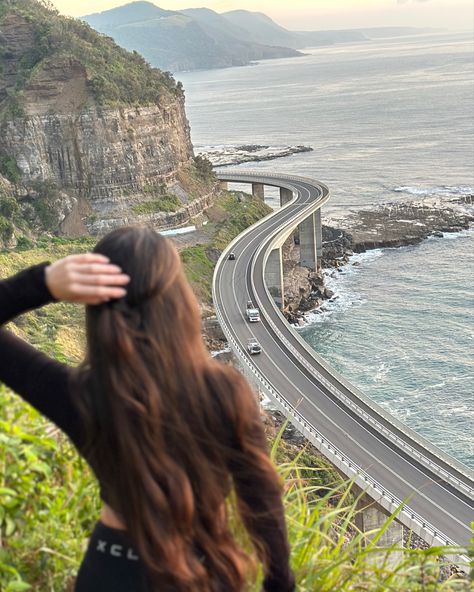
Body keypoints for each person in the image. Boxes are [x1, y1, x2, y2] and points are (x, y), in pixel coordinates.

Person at [0, 226, 295, 592]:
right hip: (205, 570)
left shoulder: (81, 394)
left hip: (110, 573)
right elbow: (263, 499)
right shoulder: (224, 391)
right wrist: (279, 585)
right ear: (178, 301)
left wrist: (41, 284)